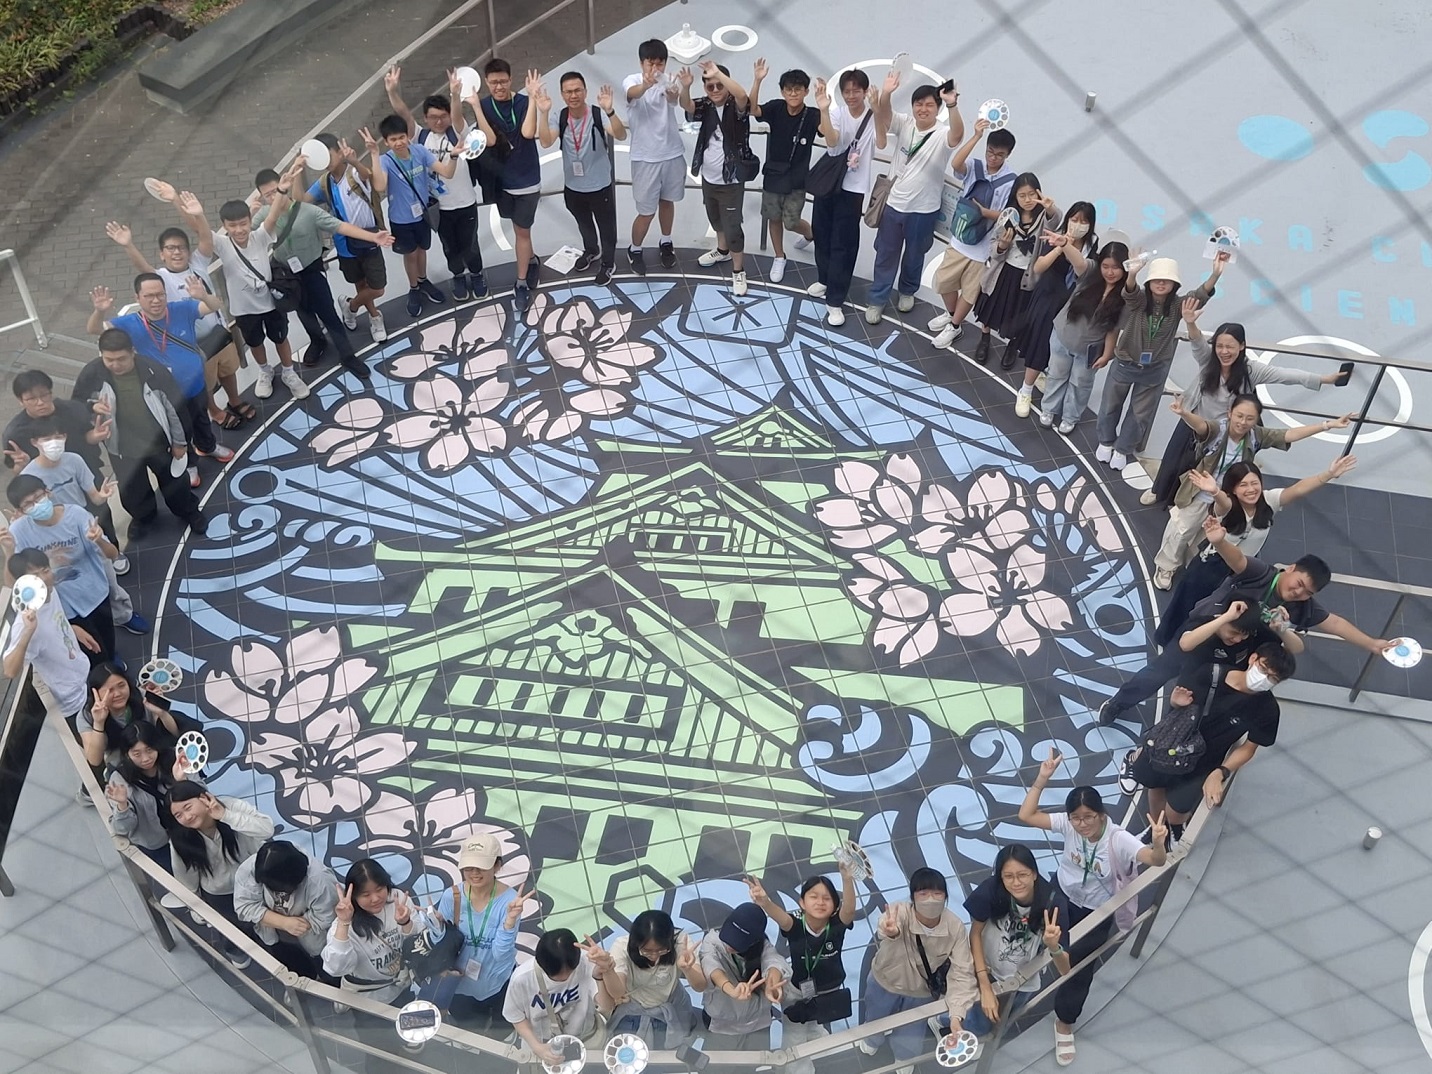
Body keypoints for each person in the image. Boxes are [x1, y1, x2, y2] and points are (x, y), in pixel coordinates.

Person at [1018, 758, 1166, 1066]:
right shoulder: (1068, 826)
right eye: (1076, 818)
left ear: (1101, 814)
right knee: (1036, 938)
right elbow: (1026, 815)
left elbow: (1155, 860)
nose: (1082, 824)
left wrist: (1159, 843)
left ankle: (1064, 1021)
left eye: (1088, 817)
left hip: (1095, 911)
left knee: (1078, 968)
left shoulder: (1118, 839)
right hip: (1062, 895)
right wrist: (1042, 778)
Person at [1143, 305, 1345, 508]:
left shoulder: (1250, 371)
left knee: (1203, 469)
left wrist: (1326, 379)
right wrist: (1190, 322)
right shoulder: (1208, 361)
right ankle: (1158, 492)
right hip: (1194, 423)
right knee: (1173, 461)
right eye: (1219, 346)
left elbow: (1285, 375)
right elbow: (1197, 341)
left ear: (1241, 346)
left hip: (1219, 432)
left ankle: (1185, 502)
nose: (1224, 351)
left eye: (1230, 346)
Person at [1151, 393, 1352, 588]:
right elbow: (1202, 426)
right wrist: (1184, 413)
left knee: (1210, 535)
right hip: (1201, 492)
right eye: (1239, 415)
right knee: (1182, 529)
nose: (1243, 422)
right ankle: (1166, 566)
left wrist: (1327, 425)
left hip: (1231, 498)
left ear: (1256, 420)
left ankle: (1194, 563)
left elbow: (1287, 434)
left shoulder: (1256, 435)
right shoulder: (1218, 430)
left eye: (1250, 418)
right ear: (1230, 412)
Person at [1156, 456, 1357, 642]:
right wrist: (1215, 491)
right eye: (1243, 485)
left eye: (1254, 483)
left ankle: (1197, 643)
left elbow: (1297, 490)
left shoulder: (1269, 501)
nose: (1250, 489)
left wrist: (1328, 474)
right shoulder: (1226, 506)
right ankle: (1166, 639)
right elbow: (1223, 503)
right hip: (1212, 565)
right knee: (1186, 603)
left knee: (1221, 614)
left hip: (1244, 571)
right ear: (1233, 489)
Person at [105, 198, 254, 429]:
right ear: (161, 254)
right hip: (194, 343)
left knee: (228, 370)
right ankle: (215, 411)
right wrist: (128, 245)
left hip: (219, 332)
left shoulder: (198, 264)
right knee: (204, 382)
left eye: (181, 247)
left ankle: (234, 400)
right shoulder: (161, 278)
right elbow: (142, 268)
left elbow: (206, 238)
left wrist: (198, 214)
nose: (177, 252)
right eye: (171, 248)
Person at [1125, 648, 1295, 837]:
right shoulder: (1211, 674)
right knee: (1155, 787)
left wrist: (1221, 772)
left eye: (1273, 679)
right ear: (1253, 659)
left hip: (1204, 762)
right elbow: (1178, 706)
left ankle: (1175, 828)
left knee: (1176, 811)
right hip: (1171, 745)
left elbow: (1249, 748)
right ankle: (1156, 830)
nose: (1264, 679)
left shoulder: (1267, 709)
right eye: (1263, 669)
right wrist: (1176, 703)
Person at [87, 272, 233, 487]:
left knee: (201, 418)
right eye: (148, 296)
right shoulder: (129, 323)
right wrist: (99, 311)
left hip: (195, 384)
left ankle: (208, 446)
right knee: (181, 429)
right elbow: (93, 329)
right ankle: (189, 462)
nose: (155, 300)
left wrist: (203, 296)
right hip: (166, 394)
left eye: (160, 295)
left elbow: (215, 305)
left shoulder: (182, 309)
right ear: (137, 298)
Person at [251, 167, 394, 380]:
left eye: (275, 191)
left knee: (327, 312)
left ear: (283, 187)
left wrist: (372, 237)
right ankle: (317, 341)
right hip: (285, 273)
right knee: (303, 311)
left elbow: (340, 226)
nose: (273, 198)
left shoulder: (308, 212)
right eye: (267, 195)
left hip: (311, 269)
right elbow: (246, 239)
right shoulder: (264, 215)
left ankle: (347, 354)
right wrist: (250, 212)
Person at [1094, 251, 1228, 471]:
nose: (1161, 283)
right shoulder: (1139, 300)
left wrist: (1215, 274)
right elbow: (1129, 291)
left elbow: (1200, 295)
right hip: (1125, 362)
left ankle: (1123, 448)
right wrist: (1132, 274)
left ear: (1175, 284)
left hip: (1154, 369)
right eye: (1156, 279)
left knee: (1140, 413)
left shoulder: (1178, 305)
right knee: (1110, 404)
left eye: (1167, 280)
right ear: (1149, 282)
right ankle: (1106, 440)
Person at [176, 183, 310, 401]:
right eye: (232, 225)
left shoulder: (261, 236)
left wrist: (281, 191)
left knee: (281, 338)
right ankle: (265, 371)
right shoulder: (222, 244)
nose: (239, 230)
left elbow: (273, 216)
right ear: (224, 226)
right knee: (255, 343)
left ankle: (289, 372)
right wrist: (187, 207)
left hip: (271, 304)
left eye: (243, 224)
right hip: (244, 309)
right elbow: (199, 230)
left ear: (250, 221)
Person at [72, 329, 207, 541]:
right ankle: (143, 517)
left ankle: (188, 511)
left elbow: (176, 408)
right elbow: (76, 404)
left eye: (121, 359)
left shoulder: (154, 371)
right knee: (133, 491)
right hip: (121, 448)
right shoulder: (92, 373)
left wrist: (180, 443)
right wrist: (91, 407)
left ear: (133, 352)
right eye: (109, 360)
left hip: (160, 444)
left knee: (176, 484)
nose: (115, 365)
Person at [1195, 518, 1396, 656]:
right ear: (1290, 568)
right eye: (1299, 584)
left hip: (1237, 646)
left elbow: (1335, 623)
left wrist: (1372, 644)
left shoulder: (1303, 606)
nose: (1299, 593)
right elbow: (1238, 559)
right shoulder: (1260, 573)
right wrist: (1220, 542)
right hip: (1207, 626)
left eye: (1308, 593)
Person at [19, 418, 142, 634]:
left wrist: (102, 496)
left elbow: (93, 497)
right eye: (47, 438)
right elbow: (28, 512)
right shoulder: (28, 477)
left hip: (83, 526)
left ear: (65, 437)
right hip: (53, 537)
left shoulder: (74, 461)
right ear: (35, 442)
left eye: (58, 437)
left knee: (108, 578)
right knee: (68, 585)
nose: (54, 443)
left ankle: (123, 615)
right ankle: (83, 629)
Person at [856, 867, 977, 1074]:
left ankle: (904, 1057)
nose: (930, 899)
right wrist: (890, 931)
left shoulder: (955, 927)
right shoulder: (900, 912)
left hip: (920, 991)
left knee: (912, 1031)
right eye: (923, 893)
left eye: (937, 893)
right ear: (912, 897)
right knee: (875, 1016)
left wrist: (956, 1016)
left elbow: (962, 973)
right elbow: (886, 924)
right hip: (885, 981)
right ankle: (872, 1039)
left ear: (946, 897)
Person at [865, 73, 964, 325]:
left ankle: (907, 290)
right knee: (885, 254)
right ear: (912, 107)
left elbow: (957, 134)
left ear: (938, 109)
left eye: (929, 105)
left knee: (915, 254)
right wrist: (887, 92)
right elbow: (884, 115)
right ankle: (878, 299)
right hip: (893, 205)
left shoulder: (942, 134)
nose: (923, 109)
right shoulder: (905, 123)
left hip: (924, 209)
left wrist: (953, 105)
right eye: (918, 104)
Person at [384, 66, 488, 301]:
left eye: (443, 116)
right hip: (438, 208)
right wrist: (392, 92)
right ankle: (458, 275)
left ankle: (477, 273)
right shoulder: (420, 137)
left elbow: (458, 115)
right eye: (433, 117)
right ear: (425, 119)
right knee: (449, 246)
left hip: (465, 203)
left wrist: (455, 95)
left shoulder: (458, 133)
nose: (439, 121)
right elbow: (404, 115)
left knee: (470, 244)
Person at [746, 864, 857, 1074]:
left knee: (814, 1020)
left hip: (828, 990)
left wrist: (847, 879)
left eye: (826, 898)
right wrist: (765, 901)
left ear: (835, 906)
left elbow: (849, 910)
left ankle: (815, 1034)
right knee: (794, 1036)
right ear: (802, 902)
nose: (820, 902)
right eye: (814, 896)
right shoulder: (796, 926)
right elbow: (780, 916)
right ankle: (796, 1069)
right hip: (797, 991)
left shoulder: (836, 926)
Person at [324, 858, 433, 1072]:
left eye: (380, 889)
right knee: (377, 1049)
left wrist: (406, 923)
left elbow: (418, 940)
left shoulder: (397, 899)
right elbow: (336, 967)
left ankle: (410, 1039)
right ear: (353, 896)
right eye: (365, 894)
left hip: (401, 984)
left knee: (407, 1015)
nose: (375, 899)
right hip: (368, 999)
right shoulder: (345, 925)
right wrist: (344, 922)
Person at [4, 473, 120, 664]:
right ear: (20, 511)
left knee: (107, 637)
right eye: (28, 504)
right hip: (62, 609)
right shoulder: (18, 532)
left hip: (95, 594)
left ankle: (111, 659)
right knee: (84, 650)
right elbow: (12, 584)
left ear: (48, 492)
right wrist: (9, 551)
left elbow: (113, 554)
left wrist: (99, 540)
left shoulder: (76, 515)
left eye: (39, 497)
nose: (37, 505)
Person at [962, 845, 1072, 1037]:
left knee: (1003, 1017)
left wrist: (1053, 946)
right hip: (987, 969)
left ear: (1034, 874)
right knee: (978, 1019)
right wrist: (985, 985)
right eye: (1008, 876)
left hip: (1023, 978)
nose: (1016, 883)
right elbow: (975, 933)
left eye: (1022, 875)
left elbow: (1064, 969)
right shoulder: (990, 890)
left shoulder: (1053, 905)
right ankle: (950, 1023)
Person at [167, 780, 275, 969]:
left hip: (255, 882)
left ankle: (269, 943)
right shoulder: (181, 840)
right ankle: (236, 951)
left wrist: (225, 816)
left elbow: (266, 830)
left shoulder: (231, 807)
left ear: (204, 798)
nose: (187, 817)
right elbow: (185, 878)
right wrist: (196, 906)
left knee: (264, 918)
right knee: (232, 928)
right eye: (178, 815)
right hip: (220, 894)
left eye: (188, 807)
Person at [929, 122, 1017, 347]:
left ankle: (955, 326)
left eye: (999, 155)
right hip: (960, 238)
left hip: (984, 248)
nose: (993, 158)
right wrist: (976, 136)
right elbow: (956, 164)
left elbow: (1008, 215)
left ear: (1007, 155)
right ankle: (951, 314)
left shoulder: (1011, 182)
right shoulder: (975, 166)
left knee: (969, 292)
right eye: (990, 152)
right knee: (943, 281)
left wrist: (985, 212)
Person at [427, 832, 524, 1032]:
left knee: (502, 1032)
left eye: (481, 866)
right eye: (469, 867)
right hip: (459, 985)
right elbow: (442, 947)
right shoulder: (452, 896)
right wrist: (436, 927)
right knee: (471, 1033)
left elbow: (500, 953)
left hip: (499, 981)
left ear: (497, 866)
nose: (474, 873)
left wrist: (509, 922)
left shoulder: (510, 901)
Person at [1005, 203, 1097, 415]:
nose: (1078, 225)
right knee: (1040, 342)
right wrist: (1061, 246)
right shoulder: (1055, 237)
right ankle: (1025, 390)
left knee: (1059, 347)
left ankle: (1042, 374)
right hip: (1049, 298)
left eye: (1084, 221)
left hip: (1072, 302)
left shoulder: (1092, 245)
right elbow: (1038, 267)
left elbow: (1085, 272)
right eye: (1074, 219)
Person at [366, 108, 459, 318]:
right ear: (386, 142)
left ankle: (423, 280)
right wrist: (373, 154)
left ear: (408, 136)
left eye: (401, 137)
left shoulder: (419, 151)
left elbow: (447, 172)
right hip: (401, 219)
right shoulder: (386, 161)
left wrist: (453, 156)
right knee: (411, 254)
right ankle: (414, 287)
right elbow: (379, 186)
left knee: (422, 250)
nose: (399, 142)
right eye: (393, 139)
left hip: (423, 215)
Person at [536, 71, 626, 285]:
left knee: (606, 227)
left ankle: (608, 263)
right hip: (573, 186)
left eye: (577, 90)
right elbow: (546, 142)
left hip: (600, 186)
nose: (573, 95)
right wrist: (543, 113)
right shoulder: (560, 117)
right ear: (562, 94)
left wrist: (610, 111)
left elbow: (621, 135)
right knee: (583, 223)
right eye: (568, 92)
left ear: (585, 91)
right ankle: (591, 250)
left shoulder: (597, 114)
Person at [467, 60, 543, 313]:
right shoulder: (484, 105)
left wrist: (533, 99)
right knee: (520, 228)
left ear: (511, 80)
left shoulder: (522, 102)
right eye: (493, 82)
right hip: (501, 183)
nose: (499, 86)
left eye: (503, 81)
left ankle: (521, 283)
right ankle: (531, 259)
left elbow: (528, 132)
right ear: (486, 83)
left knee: (522, 231)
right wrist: (476, 107)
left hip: (527, 180)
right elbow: (488, 140)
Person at [306, 132, 390, 342]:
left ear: (338, 151)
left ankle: (350, 305)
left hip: (370, 238)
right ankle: (374, 317)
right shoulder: (324, 182)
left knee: (378, 288)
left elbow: (367, 176)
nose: (326, 161)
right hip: (344, 244)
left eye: (329, 154)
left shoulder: (353, 172)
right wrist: (297, 171)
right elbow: (301, 201)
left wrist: (355, 161)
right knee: (359, 283)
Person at [1037, 241, 1128, 434]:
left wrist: (1107, 354)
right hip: (1062, 338)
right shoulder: (1090, 275)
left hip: (1089, 350)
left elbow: (1114, 329)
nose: (1110, 272)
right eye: (1106, 266)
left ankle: (1070, 417)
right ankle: (1049, 409)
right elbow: (1079, 262)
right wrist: (1065, 244)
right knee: (1056, 375)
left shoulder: (1125, 295)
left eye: (1116, 267)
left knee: (1080, 384)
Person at [679, 61, 754, 296]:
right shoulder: (707, 105)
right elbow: (687, 105)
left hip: (731, 181)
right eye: (709, 86)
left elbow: (742, 95)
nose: (715, 90)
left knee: (733, 228)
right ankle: (722, 251)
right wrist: (686, 86)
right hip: (709, 177)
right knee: (715, 219)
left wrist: (718, 73)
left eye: (719, 85)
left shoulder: (737, 107)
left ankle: (738, 270)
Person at [1, 549, 96, 733]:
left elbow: (54, 621)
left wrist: (72, 629)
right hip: (72, 699)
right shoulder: (25, 622)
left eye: (45, 570)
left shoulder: (49, 592)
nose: (44, 579)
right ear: (24, 583)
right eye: (35, 576)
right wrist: (29, 631)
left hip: (84, 672)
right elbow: (10, 670)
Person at [971, 174, 1060, 369]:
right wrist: (1002, 246)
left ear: (1039, 194)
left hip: (1027, 276)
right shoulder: (1008, 216)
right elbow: (993, 246)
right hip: (1003, 272)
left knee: (1018, 313)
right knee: (990, 307)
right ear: (1015, 196)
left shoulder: (1043, 218)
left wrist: (1050, 208)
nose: (1027, 200)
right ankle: (984, 339)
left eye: (1031, 194)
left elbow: (1055, 221)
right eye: (1022, 195)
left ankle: (1012, 346)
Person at [809, 70, 876, 326]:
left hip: (853, 188)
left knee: (843, 243)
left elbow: (882, 140)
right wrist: (824, 111)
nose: (851, 95)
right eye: (847, 91)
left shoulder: (873, 115)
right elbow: (832, 142)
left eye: (856, 90)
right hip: (830, 182)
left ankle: (835, 300)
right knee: (821, 232)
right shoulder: (837, 113)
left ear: (865, 91)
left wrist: (885, 99)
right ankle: (824, 278)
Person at [748, 62, 818, 283]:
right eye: (789, 89)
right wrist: (757, 80)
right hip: (774, 175)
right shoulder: (776, 107)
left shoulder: (813, 115)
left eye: (798, 89)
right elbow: (753, 110)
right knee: (773, 217)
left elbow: (828, 133)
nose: (793, 93)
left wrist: (824, 108)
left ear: (806, 91)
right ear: (782, 91)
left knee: (791, 221)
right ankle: (779, 256)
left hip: (797, 179)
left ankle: (811, 234)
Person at [234, 839, 340, 978]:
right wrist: (284, 923)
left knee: (326, 970)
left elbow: (327, 915)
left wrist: (299, 925)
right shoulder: (252, 869)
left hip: (315, 939)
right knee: (293, 966)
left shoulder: (320, 880)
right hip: (275, 936)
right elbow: (244, 906)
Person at [624, 39, 685, 274]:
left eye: (660, 63)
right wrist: (646, 85)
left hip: (672, 153)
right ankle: (635, 249)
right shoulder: (632, 81)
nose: (655, 68)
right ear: (642, 63)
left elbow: (673, 100)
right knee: (646, 212)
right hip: (645, 158)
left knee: (668, 201)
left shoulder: (669, 80)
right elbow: (632, 94)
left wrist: (675, 90)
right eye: (651, 63)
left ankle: (666, 241)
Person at [698, 901, 787, 1063]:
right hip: (722, 1027)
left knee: (752, 1067)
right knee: (715, 1068)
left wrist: (771, 984)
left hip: (758, 1025)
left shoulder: (763, 946)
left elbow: (774, 962)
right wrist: (731, 990)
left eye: (738, 941)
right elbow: (711, 966)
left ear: (753, 941)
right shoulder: (712, 941)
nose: (730, 944)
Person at [504, 929, 608, 1066]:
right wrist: (537, 1047)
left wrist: (605, 973)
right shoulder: (522, 978)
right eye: (555, 975)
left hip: (587, 1038)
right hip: (543, 1044)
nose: (564, 978)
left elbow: (606, 1005)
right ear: (541, 963)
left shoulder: (587, 961)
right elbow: (515, 1016)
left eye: (570, 972)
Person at [606, 909, 705, 1048]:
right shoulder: (621, 946)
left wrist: (688, 969)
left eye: (661, 950)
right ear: (635, 943)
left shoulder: (681, 942)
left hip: (672, 1006)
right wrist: (608, 970)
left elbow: (700, 986)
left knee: (673, 1052)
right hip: (633, 1011)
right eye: (646, 951)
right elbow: (618, 992)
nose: (654, 956)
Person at [105, 721, 193, 870]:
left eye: (150, 750)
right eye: (137, 754)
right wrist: (122, 805)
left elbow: (201, 793)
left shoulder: (175, 760)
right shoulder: (120, 780)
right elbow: (122, 829)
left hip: (187, 830)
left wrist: (182, 782)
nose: (145, 758)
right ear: (127, 754)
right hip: (156, 845)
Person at [81, 659, 187, 772]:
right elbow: (94, 760)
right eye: (110, 690)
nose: (118, 694)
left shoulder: (142, 697)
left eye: (121, 685)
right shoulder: (87, 715)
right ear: (96, 693)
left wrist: (161, 712)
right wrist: (99, 723)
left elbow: (174, 733)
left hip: (154, 754)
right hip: (122, 765)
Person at [4, 370, 109, 479]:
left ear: (51, 393)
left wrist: (94, 435)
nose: (40, 402)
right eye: (32, 399)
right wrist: (22, 465)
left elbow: (85, 438)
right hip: (48, 483)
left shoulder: (74, 410)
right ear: (20, 401)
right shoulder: (16, 433)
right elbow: (17, 471)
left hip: (87, 472)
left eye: (44, 395)